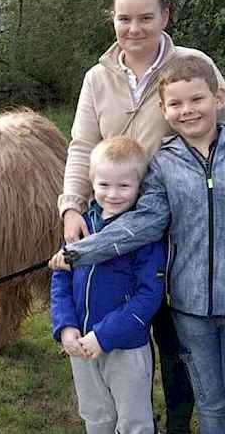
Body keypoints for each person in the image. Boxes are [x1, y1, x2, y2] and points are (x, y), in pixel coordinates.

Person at [58, 0, 225, 434]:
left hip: (179, 225)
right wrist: (71, 206)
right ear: (113, 19)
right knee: (117, 328)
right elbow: (82, 146)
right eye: (124, 18)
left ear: (165, 15)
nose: (134, 28)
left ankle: (179, 422)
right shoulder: (97, 77)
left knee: (176, 340)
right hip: (113, 221)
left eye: (146, 17)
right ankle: (126, 415)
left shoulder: (191, 64)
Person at [50, 136, 165, 434]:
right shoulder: (81, 227)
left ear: (140, 185)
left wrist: (103, 336)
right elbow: (61, 280)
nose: (112, 194)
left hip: (126, 347)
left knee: (134, 421)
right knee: (96, 415)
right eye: (104, 184)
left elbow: (149, 296)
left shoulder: (144, 235)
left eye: (124, 185)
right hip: (80, 344)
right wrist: (66, 326)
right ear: (91, 181)